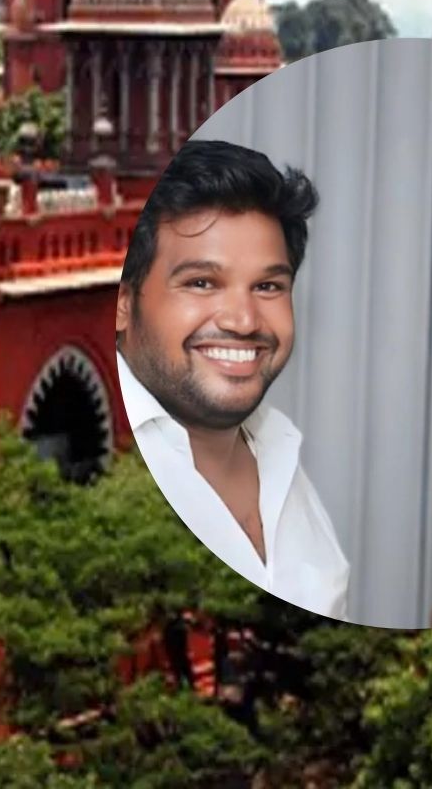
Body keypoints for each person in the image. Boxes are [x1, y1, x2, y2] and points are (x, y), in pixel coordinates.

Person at [115, 138, 348, 617]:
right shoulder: (100, 479)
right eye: (202, 283)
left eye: (267, 286)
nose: (243, 320)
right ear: (123, 302)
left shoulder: (280, 454)